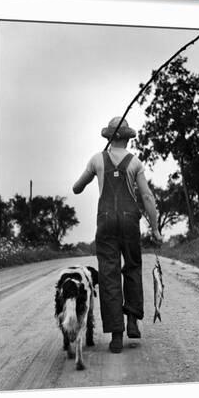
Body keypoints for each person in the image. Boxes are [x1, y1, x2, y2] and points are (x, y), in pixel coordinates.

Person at [73, 117, 160, 353]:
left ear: (109, 138)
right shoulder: (135, 163)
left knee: (109, 274)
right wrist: (155, 228)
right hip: (130, 222)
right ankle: (132, 319)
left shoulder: (96, 159)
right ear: (127, 138)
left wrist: (95, 168)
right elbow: (147, 197)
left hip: (106, 222)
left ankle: (116, 335)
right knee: (131, 267)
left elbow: (76, 188)